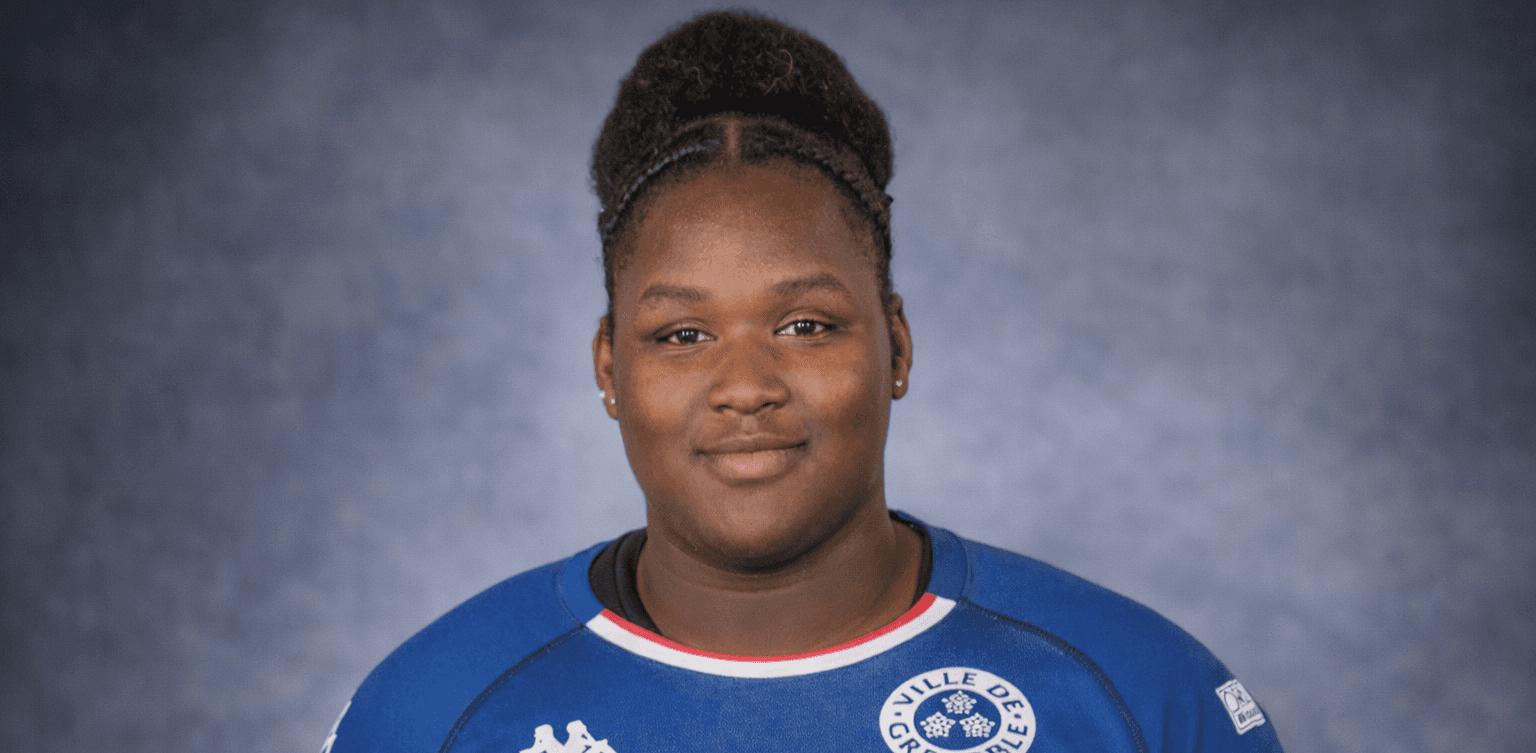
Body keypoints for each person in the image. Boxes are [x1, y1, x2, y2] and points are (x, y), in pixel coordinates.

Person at [323, 11, 1283, 753]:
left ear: (896, 348)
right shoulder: (435, 709)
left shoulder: (1139, 694)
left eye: (805, 325)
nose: (746, 385)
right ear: (610, 369)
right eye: (683, 332)